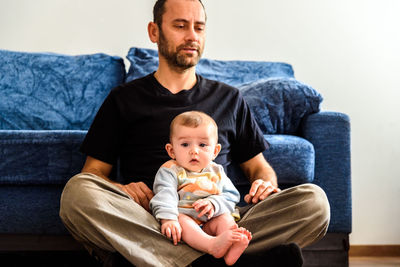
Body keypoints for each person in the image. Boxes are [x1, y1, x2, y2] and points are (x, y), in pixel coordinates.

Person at [59, 0, 330, 266]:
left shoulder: (229, 98)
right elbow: (92, 173)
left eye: (199, 28)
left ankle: (171, 257)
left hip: (220, 219)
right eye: (180, 26)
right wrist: (123, 190)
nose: (191, 36)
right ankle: (223, 258)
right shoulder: (124, 99)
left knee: (314, 203)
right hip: (153, 220)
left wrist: (265, 184)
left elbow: (259, 168)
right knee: (77, 194)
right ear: (154, 31)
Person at [150, 111, 254, 266]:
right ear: (171, 151)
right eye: (185, 144)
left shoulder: (216, 171)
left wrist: (214, 203)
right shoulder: (171, 170)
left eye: (203, 145)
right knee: (181, 219)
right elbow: (165, 195)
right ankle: (211, 245)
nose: (194, 151)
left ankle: (231, 250)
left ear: (215, 151)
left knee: (225, 218)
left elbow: (231, 196)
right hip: (185, 224)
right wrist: (169, 219)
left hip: (210, 221)